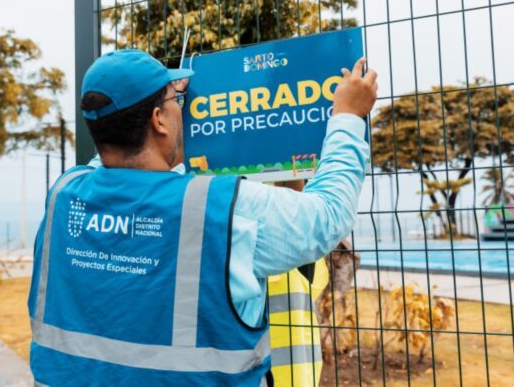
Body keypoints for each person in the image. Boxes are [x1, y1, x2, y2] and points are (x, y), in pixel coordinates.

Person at [28, 49, 377, 386]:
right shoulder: (219, 208)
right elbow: (328, 215)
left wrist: (153, 106)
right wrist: (347, 117)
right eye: (173, 102)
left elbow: (111, 158)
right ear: (158, 120)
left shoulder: (64, 194)